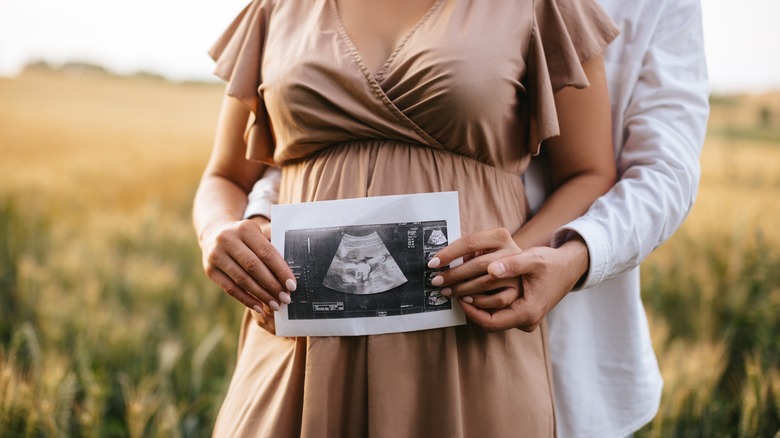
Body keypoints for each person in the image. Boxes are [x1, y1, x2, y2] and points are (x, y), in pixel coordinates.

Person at [240, 0, 710, 436]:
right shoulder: (281, 11)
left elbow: (660, 171)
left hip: (492, 326)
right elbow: (289, 161)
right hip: (305, 337)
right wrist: (250, 223)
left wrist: (568, 254)